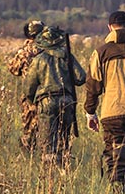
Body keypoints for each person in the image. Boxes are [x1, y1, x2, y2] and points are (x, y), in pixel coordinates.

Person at [84, 11, 125, 192]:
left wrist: (90, 112)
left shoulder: (101, 52)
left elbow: (93, 86)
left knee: (116, 159)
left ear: (109, 27)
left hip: (112, 114)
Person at [23, 25, 86, 169]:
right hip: (67, 101)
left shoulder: (39, 59)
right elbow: (81, 78)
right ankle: (64, 169)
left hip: (47, 102)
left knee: (47, 142)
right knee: (63, 139)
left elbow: (28, 88)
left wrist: (31, 101)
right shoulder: (67, 56)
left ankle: (50, 175)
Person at [7, 20, 44, 153]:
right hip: (49, 94)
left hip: (30, 97)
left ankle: (30, 156)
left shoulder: (24, 52)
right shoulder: (49, 49)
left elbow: (13, 69)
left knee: (29, 130)